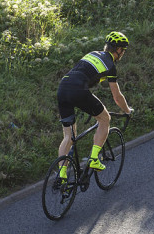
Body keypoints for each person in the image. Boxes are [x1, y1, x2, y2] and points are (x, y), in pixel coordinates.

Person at [56, 31, 133, 178]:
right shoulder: (110, 65)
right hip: (78, 90)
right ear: (118, 50)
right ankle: (93, 159)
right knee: (105, 119)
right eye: (123, 50)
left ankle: (62, 176)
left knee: (69, 137)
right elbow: (117, 96)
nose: (122, 53)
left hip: (63, 88)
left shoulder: (92, 53)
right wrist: (127, 111)